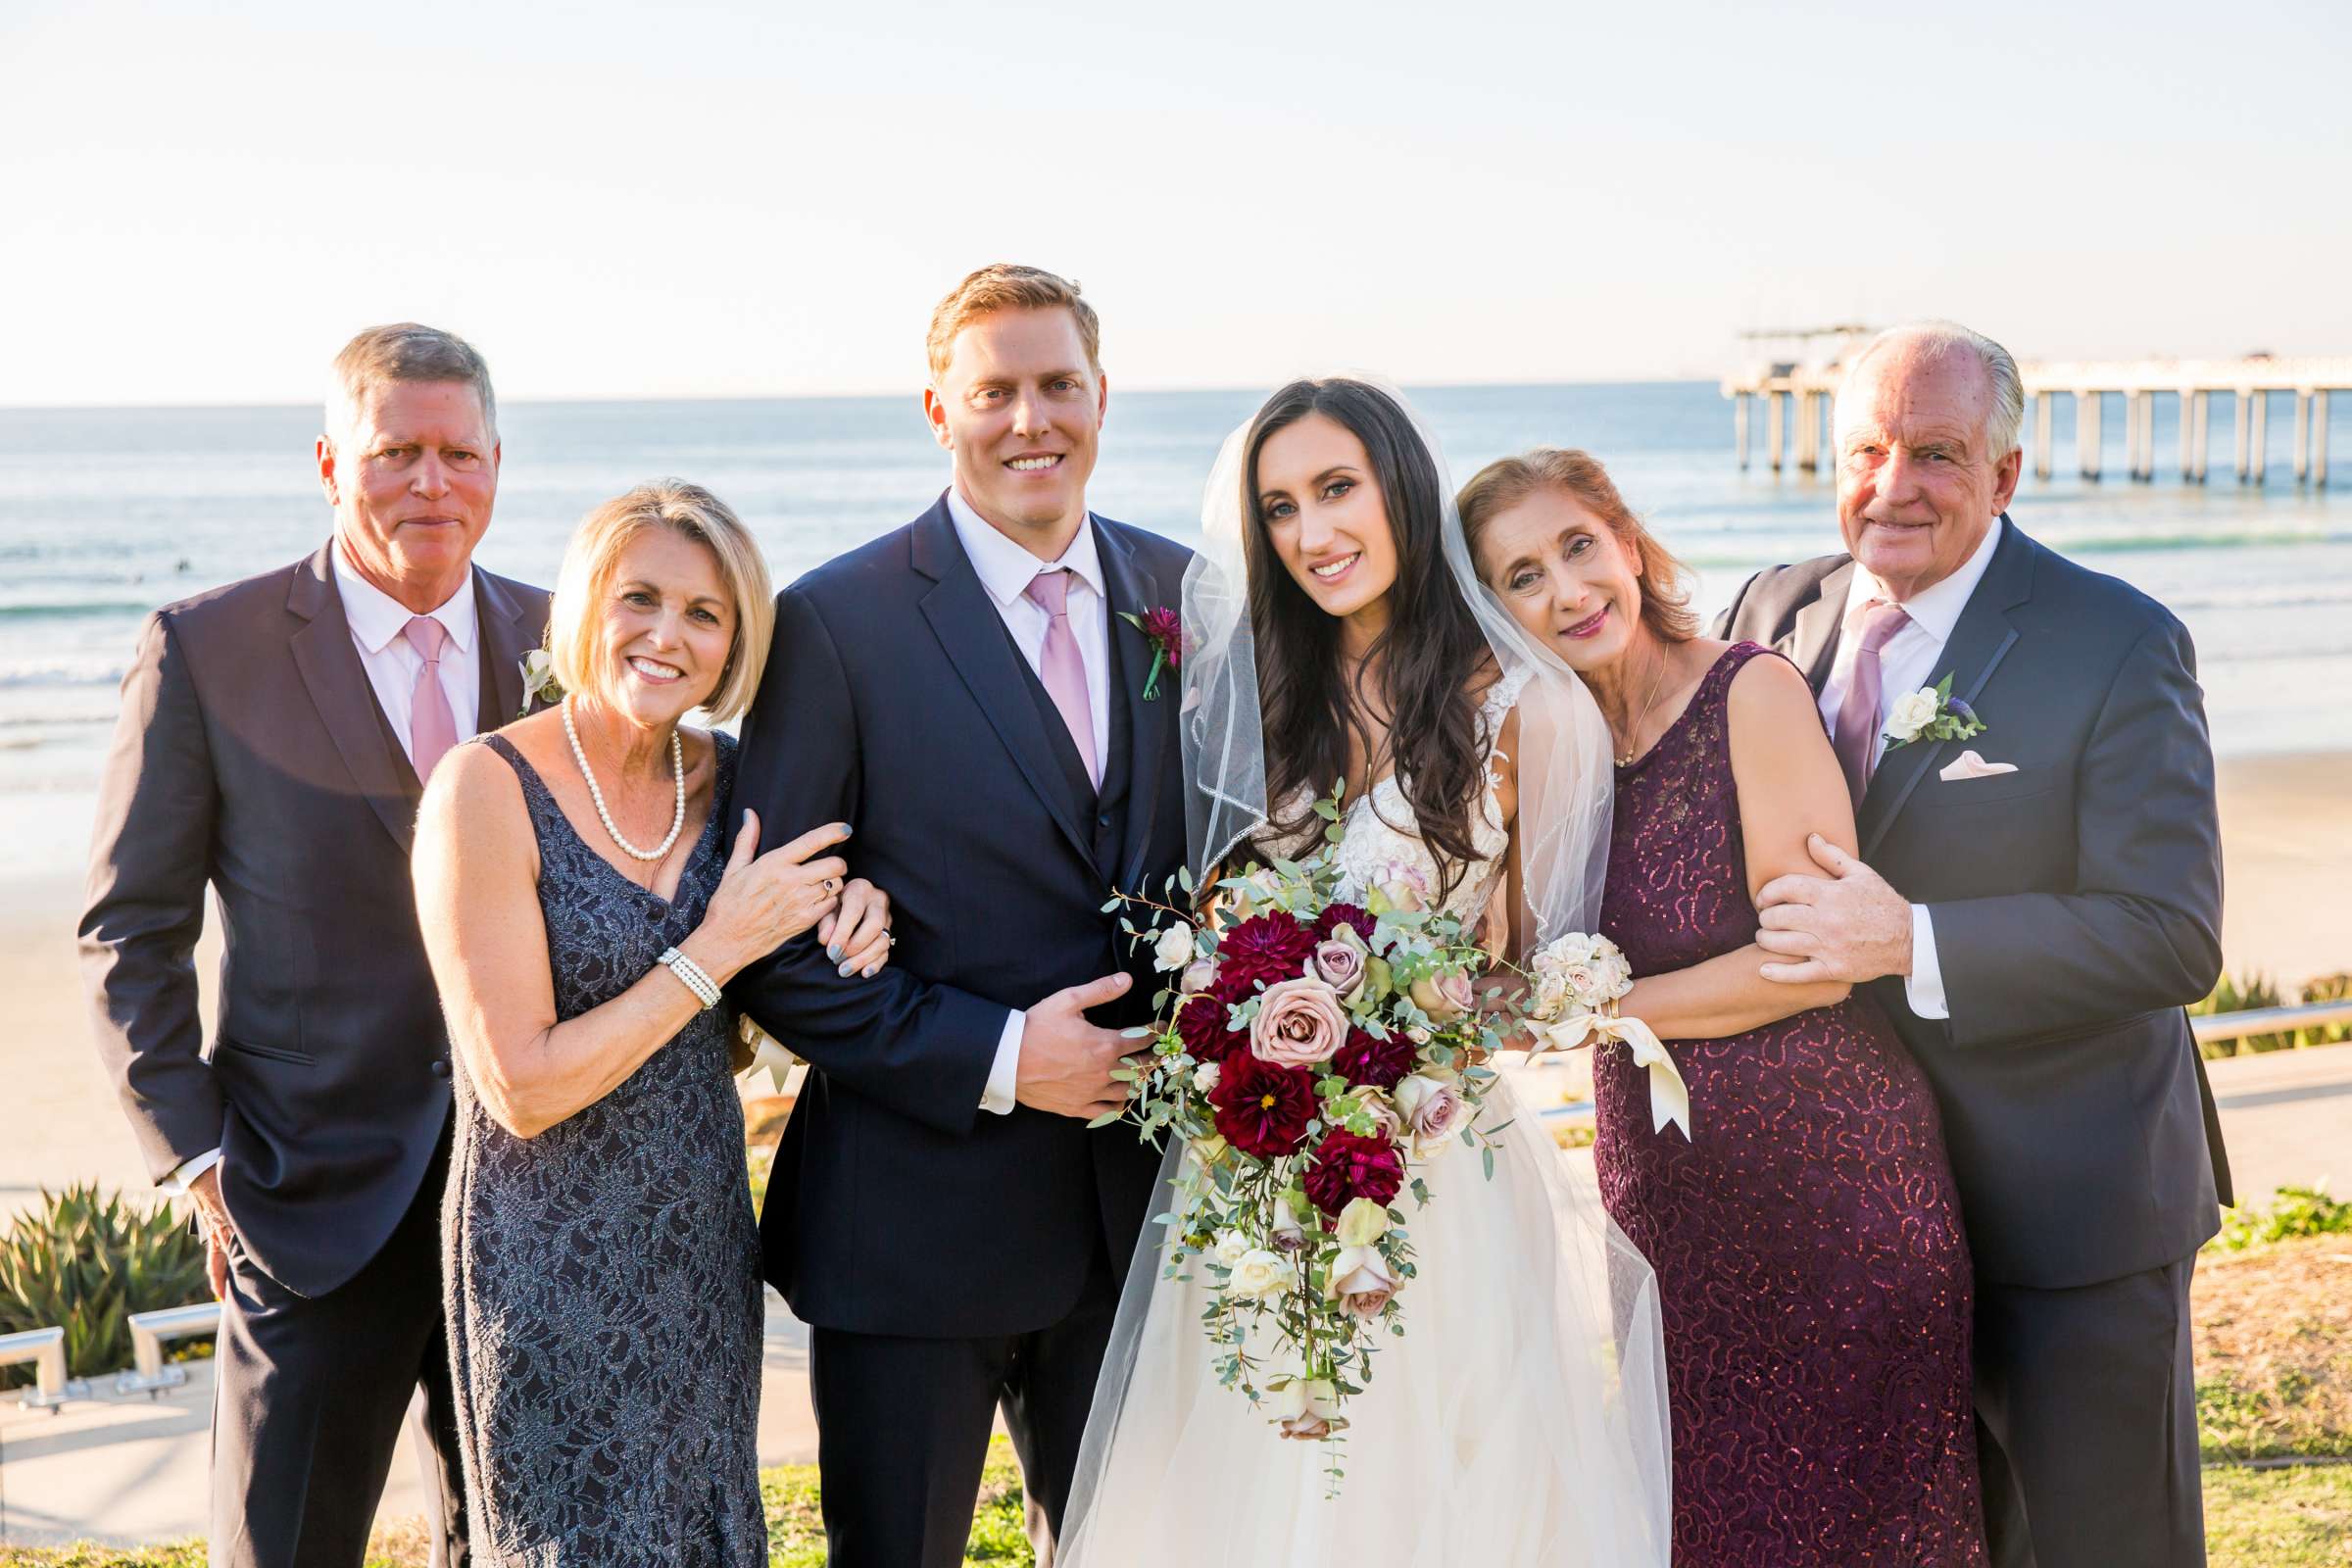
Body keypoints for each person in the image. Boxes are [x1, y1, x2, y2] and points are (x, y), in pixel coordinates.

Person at [1057, 378, 1674, 1566]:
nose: (1313, 533)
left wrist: (1407, 1016)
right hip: (1246, 1180)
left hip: (1433, 1179)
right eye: (1280, 507)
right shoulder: (1263, 700)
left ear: (1402, 486)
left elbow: (1539, 985)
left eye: (1338, 488)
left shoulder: (1525, 711)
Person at [1718, 320, 2230, 1568]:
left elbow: (2171, 934)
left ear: (2004, 475)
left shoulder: (2116, 641)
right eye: (1867, 449)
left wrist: (1913, 939)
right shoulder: (1773, 611)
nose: (1893, 485)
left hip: (2069, 1209)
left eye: (1936, 453)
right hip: (1852, 1215)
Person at [725, 265, 1192, 1568]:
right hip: (910, 1230)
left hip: (1135, 1223)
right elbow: (768, 949)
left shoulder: (1189, 596)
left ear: (1103, 396)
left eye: (1056, 385)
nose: (1029, 418)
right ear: (940, 406)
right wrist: (1001, 1057)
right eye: (996, 391)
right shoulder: (835, 622)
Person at [1461, 445, 1985, 1563]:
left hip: (1833, 1185)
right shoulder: (1546, 750)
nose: (1566, 590)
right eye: (1521, 578)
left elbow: (1816, 962)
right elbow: (1502, 972)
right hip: (1666, 1200)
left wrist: (1604, 1009)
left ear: (1630, 544)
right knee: (1698, 1517)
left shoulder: (1750, 688)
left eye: (1577, 546)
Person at [79, 324, 545, 1565]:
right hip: (304, 1196)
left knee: (512, 1544)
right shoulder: (209, 647)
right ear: (332, 463)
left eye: (458, 453)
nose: (430, 484)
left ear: (499, 463)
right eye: (397, 452)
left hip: (535, 1199)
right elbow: (130, 929)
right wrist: (197, 1159)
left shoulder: (569, 649)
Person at [412, 479, 889, 1559]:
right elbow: (519, 1087)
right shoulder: (481, 787)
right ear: (586, 603)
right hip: (543, 1262)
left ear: (736, 644)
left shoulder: (733, 783)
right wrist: (712, 948)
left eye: (705, 614)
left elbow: (789, 954)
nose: (667, 635)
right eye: (641, 598)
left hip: (698, 1245)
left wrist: (861, 908)